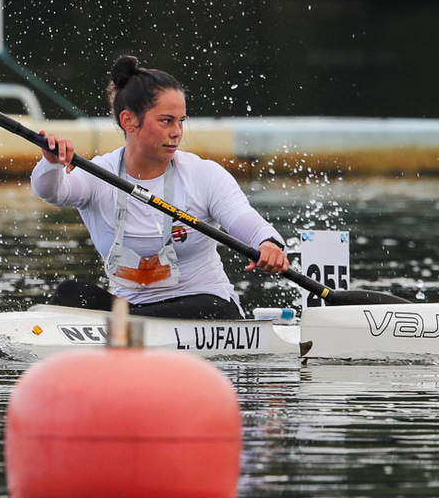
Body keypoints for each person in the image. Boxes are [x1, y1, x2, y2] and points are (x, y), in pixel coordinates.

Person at [33, 55, 289, 319]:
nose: (177, 132)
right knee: (70, 293)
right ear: (129, 121)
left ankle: (129, 331)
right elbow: (52, 192)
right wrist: (51, 163)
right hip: (132, 310)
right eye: (166, 121)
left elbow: (242, 218)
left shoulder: (204, 174)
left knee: (210, 307)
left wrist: (267, 243)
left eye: (181, 121)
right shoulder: (100, 174)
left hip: (205, 307)